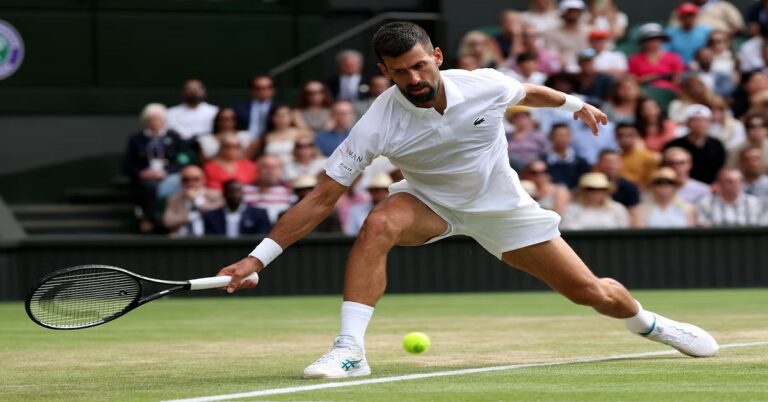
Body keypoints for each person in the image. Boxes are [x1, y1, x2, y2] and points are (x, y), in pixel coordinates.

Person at [215, 22, 718, 380]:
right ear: (384, 72)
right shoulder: (377, 122)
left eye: (418, 66)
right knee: (378, 225)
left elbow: (527, 92)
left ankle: (651, 324)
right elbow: (323, 197)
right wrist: (259, 257)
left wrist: (575, 104)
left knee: (592, 294)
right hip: (428, 203)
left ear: (436, 58)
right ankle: (350, 350)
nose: (412, 80)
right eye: (399, 72)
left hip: (503, 210)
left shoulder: (485, 85)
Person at [123, 103, 190, 233]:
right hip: (146, 180)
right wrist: (142, 172)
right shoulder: (136, 139)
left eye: (157, 119)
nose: (154, 122)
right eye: (150, 119)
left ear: (163, 120)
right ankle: (151, 220)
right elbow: (128, 165)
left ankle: (176, 222)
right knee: (149, 186)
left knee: (183, 182)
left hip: (169, 176)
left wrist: (167, 171)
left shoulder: (174, 137)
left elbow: (183, 160)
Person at [664, 104, 726, 184]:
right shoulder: (674, 144)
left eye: (702, 121)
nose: (699, 124)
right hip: (678, 185)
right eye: (695, 121)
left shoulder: (717, 145)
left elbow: (721, 168)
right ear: (687, 123)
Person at [163, 165, 224, 237]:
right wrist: (189, 217)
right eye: (186, 179)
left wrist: (196, 200)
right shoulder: (174, 198)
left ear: (203, 179)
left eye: (196, 179)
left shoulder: (216, 195)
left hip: (208, 237)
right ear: (181, 181)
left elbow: (216, 216)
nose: (190, 183)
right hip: (181, 238)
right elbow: (168, 221)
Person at [696, 168, 766, 227]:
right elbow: (702, 226)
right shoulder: (706, 203)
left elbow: (760, 228)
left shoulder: (754, 203)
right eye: (729, 181)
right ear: (720, 183)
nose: (734, 184)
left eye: (738, 181)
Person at [559, 172, 630, 230]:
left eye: (601, 189)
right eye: (591, 189)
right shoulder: (571, 209)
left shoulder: (618, 208)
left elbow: (623, 229)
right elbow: (567, 228)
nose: (597, 193)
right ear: (583, 191)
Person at [203, 180, 271, 237]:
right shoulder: (211, 217)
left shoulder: (259, 214)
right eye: (231, 191)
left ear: (243, 193)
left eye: (238, 191)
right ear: (224, 194)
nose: (235, 195)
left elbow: (262, 238)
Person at [628, 23, 685, 90]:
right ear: (643, 41)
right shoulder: (634, 59)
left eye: (657, 39)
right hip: (644, 92)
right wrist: (642, 80)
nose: (654, 42)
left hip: (669, 92)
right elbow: (631, 80)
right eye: (650, 40)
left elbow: (679, 78)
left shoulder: (674, 57)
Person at [592, 149, 641, 226]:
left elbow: (636, 216)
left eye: (614, 163)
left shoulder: (629, 187)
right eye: (607, 162)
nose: (611, 166)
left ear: (621, 164)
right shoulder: (588, 184)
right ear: (598, 164)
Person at [242, 155, 295, 224]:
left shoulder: (289, 191)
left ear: (281, 171)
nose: (270, 171)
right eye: (265, 167)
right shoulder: (244, 191)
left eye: (274, 167)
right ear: (257, 170)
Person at [543, 0, 590, 72]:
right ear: (563, 13)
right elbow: (552, 55)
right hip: (562, 71)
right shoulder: (551, 33)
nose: (573, 14)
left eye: (576, 11)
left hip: (586, 68)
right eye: (570, 11)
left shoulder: (588, 31)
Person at [544, 123, 592, 189]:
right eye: (559, 135)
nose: (562, 139)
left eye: (566, 135)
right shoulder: (543, 162)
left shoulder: (581, 163)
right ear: (551, 137)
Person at [233, 75, 276, 141]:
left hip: (270, 142)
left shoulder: (280, 108)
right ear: (251, 90)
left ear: (272, 90)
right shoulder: (239, 108)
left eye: (266, 88)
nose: (262, 91)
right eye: (258, 88)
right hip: (244, 142)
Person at [504, 105, 549, 170]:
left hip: (534, 168)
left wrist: (541, 163)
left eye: (523, 117)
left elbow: (546, 153)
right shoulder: (506, 137)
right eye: (517, 118)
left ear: (529, 119)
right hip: (512, 168)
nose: (521, 120)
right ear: (511, 120)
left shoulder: (538, 135)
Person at [615, 123, 659, 187]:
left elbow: (653, 181)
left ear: (637, 136)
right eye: (620, 136)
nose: (625, 139)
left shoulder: (649, 158)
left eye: (630, 135)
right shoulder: (613, 158)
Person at [669, 0, 745, 37]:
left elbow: (738, 25)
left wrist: (723, 36)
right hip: (691, 41)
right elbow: (674, 28)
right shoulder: (683, 8)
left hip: (717, 41)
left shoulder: (723, 6)